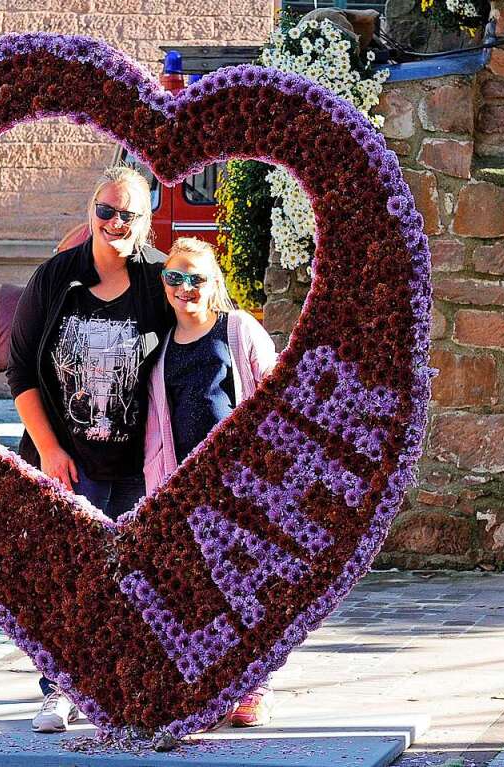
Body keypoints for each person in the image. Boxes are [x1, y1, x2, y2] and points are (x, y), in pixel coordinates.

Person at [6, 165, 172, 733]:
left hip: (134, 463)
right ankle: (59, 688)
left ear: (147, 223)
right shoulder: (57, 278)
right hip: (65, 458)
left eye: (129, 214)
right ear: (90, 212)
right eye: (107, 211)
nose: (115, 223)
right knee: (64, 577)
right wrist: (49, 449)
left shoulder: (158, 281)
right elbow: (20, 368)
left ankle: (122, 686)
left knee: (133, 580)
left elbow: (203, 325)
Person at [144, 237, 278, 727]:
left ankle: (254, 684)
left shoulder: (237, 329)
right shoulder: (160, 352)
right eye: (175, 277)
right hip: (188, 487)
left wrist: (265, 465)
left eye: (196, 278)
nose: (186, 288)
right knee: (204, 590)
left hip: (240, 483)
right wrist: (161, 490)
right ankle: (217, 684)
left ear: (214, 284)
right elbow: (159, 427)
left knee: (248, 585)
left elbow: (274, 390)